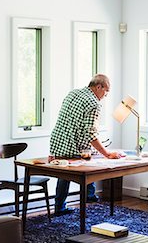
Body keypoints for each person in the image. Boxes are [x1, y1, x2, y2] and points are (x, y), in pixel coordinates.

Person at [50, 74, 120, 216]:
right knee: (88, 168)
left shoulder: (73, 93)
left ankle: (61, 206)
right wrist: (107, 154)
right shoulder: (94, 103)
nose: (105, 96)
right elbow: (91, 133)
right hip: (73, 144)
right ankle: (89, 196)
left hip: (58, 139)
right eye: (106, 92)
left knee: (64, 174)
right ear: (98, 87)